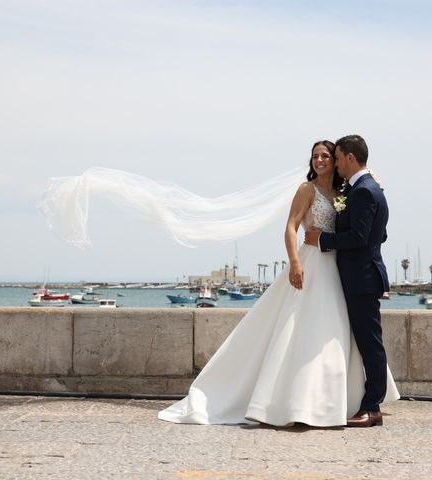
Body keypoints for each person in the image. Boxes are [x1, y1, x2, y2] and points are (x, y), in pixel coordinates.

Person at [158, 139, 399, 427]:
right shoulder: (307, 189)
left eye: (327, 156)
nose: (321, 161)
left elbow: (369, 232)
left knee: (334, 335)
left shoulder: (346, 192)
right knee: (301, 330)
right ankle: (293, 402)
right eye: (315, 156)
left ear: (341, 160)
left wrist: (327, 237)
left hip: (337, 269)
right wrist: (295, 261)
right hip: (313, 263)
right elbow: (291, 226)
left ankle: (339, 402)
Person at [305, 134, 392, 427]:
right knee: (366, 343)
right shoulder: (367, 188)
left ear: (350, 158)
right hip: (360, 276)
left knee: (370, 344)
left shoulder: (364, 191)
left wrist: (322, 239)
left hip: (362, 279)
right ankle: (367, 403)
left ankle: (372, 407)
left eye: (338, 158)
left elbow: (360, 237)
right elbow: (380, 235)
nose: (336, 164)